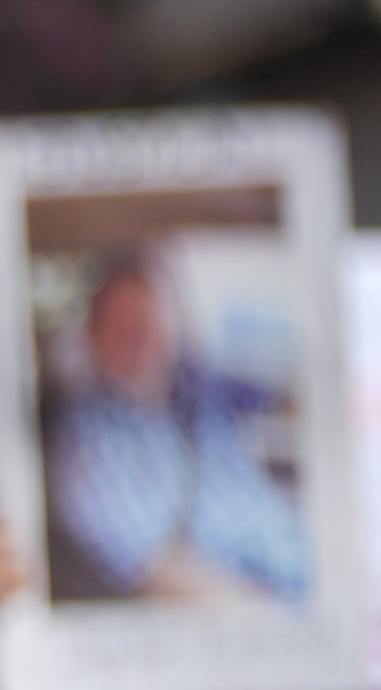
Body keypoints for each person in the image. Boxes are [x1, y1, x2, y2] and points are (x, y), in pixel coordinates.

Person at [42, 249, 311, 604]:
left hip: (304, 562)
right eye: (121, 323)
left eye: (150, 315)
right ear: (93, 333)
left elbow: (290, 398)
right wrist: (281, 625)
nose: (140, 334)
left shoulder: (200, 385)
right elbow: (161, 571)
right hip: (257, 608)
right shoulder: (86, 444)